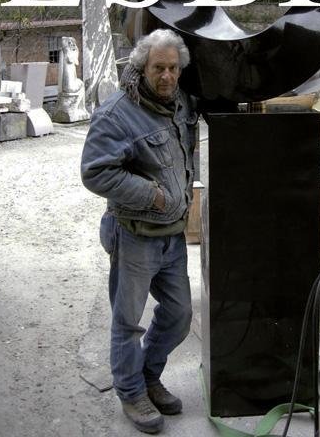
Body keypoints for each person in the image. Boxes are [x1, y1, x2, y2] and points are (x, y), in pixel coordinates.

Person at [81, 29, 197, 434]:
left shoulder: (180, 103)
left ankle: (147, 376)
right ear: (141, 68)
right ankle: (131, 392)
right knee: (128, 321)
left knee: (180, 314)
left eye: (173, 68)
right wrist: (153, 195)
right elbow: (95, 172)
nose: (167, 76)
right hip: (134, 234)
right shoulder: (116, 113)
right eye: (158, 68)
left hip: (172, 235)